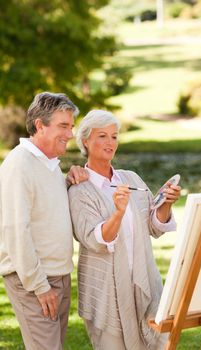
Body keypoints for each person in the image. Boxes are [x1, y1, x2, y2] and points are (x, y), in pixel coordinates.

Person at [68, 109, 181, 350]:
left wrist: (166, 202)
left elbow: (154, 224)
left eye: (114, 136)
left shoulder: (130, 178)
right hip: (106, 290)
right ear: (85, 141)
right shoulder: (80, 190)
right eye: (102, 136)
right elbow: (95, 240)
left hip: (142, 279)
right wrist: (118, 212)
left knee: (158, 342)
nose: (110, 143)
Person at [0, 92, 87, 350]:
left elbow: (47, 211)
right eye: (63, 126)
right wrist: (39, 285)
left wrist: (69, 183)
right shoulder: (20, 164)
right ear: (40, 125)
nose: (70, 134)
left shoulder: (49, 165)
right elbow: (15, 230)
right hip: (34, 279)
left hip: (58, 274)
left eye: (71, 127)